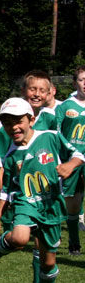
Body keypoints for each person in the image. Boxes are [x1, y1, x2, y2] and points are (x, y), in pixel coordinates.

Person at [0, 98, 83, 283]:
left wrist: (70, 166)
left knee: (48, 264)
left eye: (18, 121)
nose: (13, 126)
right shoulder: (11, 156)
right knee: (20, 237)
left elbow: (78, 155)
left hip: (52, 207)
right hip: (26, 203)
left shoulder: (50, 137)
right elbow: (7, 190)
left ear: (31, 119)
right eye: (6, 122)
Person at [0, 70, 59, 283]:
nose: (37, 94)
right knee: (19, 238)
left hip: (45, 197)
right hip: (17, 192)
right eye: (33, 89)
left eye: (43, 90)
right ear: (23, 91)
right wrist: (3, 204)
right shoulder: (3, 128)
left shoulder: (50, 122)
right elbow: (0, 167)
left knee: (43, 250)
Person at [54, 66, 85, 256]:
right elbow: (57, 132)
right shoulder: (65, 106)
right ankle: (74, 243)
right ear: (75, 83)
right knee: (72, 204)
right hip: (71, 162)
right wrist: (73, 150)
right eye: (82, 79)